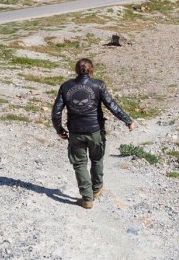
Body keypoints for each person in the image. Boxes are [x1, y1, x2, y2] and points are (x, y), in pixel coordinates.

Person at [52, 58, 137, 209]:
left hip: (76, 131)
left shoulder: (66, 86)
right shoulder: (98, 84)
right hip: (95, 130)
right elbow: (111, 105)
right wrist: (128, 121)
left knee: (79, 164)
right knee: (97, 160)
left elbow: (56, 111)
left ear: (76, 70)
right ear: (92, 70)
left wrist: (59, 130)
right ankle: (97, 189)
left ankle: (87, 198)